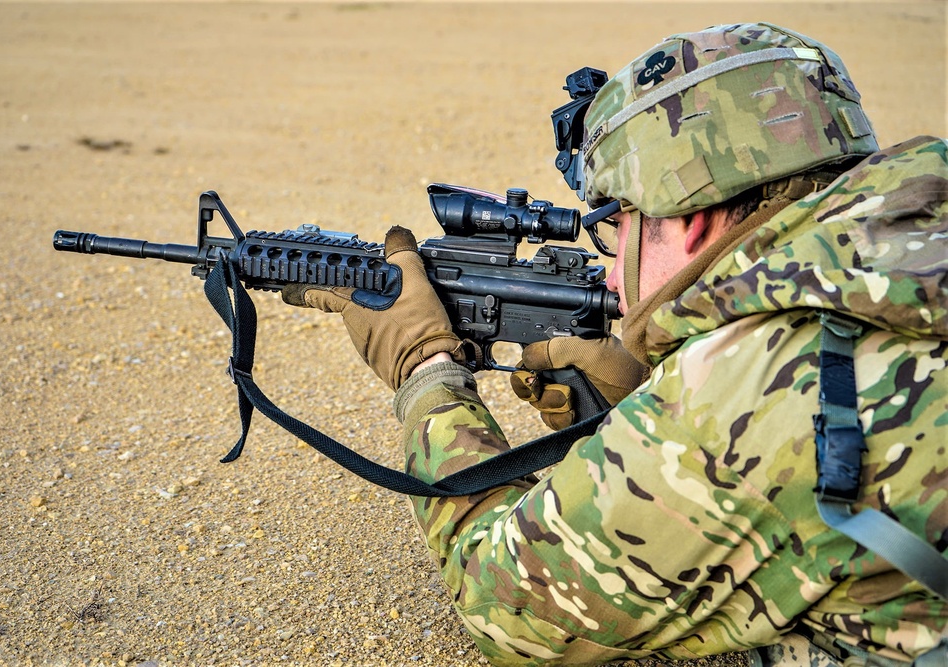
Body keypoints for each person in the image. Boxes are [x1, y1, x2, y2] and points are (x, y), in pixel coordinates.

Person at [282, 22, 947, 667]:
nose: (611, 261)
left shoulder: (742, 391)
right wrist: (650, 395)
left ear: (690, 219)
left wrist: (424, 367)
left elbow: (507, 606)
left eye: (615, 224)